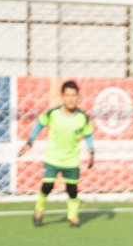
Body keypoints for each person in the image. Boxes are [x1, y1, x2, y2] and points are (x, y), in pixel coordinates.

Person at [18, 80, 95, 228]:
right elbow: (40, 123)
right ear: (62, 97)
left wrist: (92, 152)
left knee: (72, 190)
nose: (71, 99)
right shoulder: (53, 113)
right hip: (52, 157)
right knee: (47, 185)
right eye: (67, 95)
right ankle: (39, 210)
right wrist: (30, 141)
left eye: (74, 95)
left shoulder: (82, 117)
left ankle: (73, 216)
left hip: (71, 159)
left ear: (78, 97)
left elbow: (88, 134)